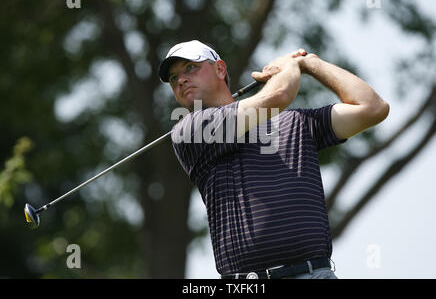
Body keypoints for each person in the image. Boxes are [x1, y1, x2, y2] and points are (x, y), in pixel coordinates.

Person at [158, 40, 389, 279]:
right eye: (174, 78)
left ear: (219, 69)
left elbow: (372, 108)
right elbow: (279, 95)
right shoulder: (190, 131)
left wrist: (311, 64)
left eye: (190, 68)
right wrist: (290, 68)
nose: (181, 80)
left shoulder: (298, 122)